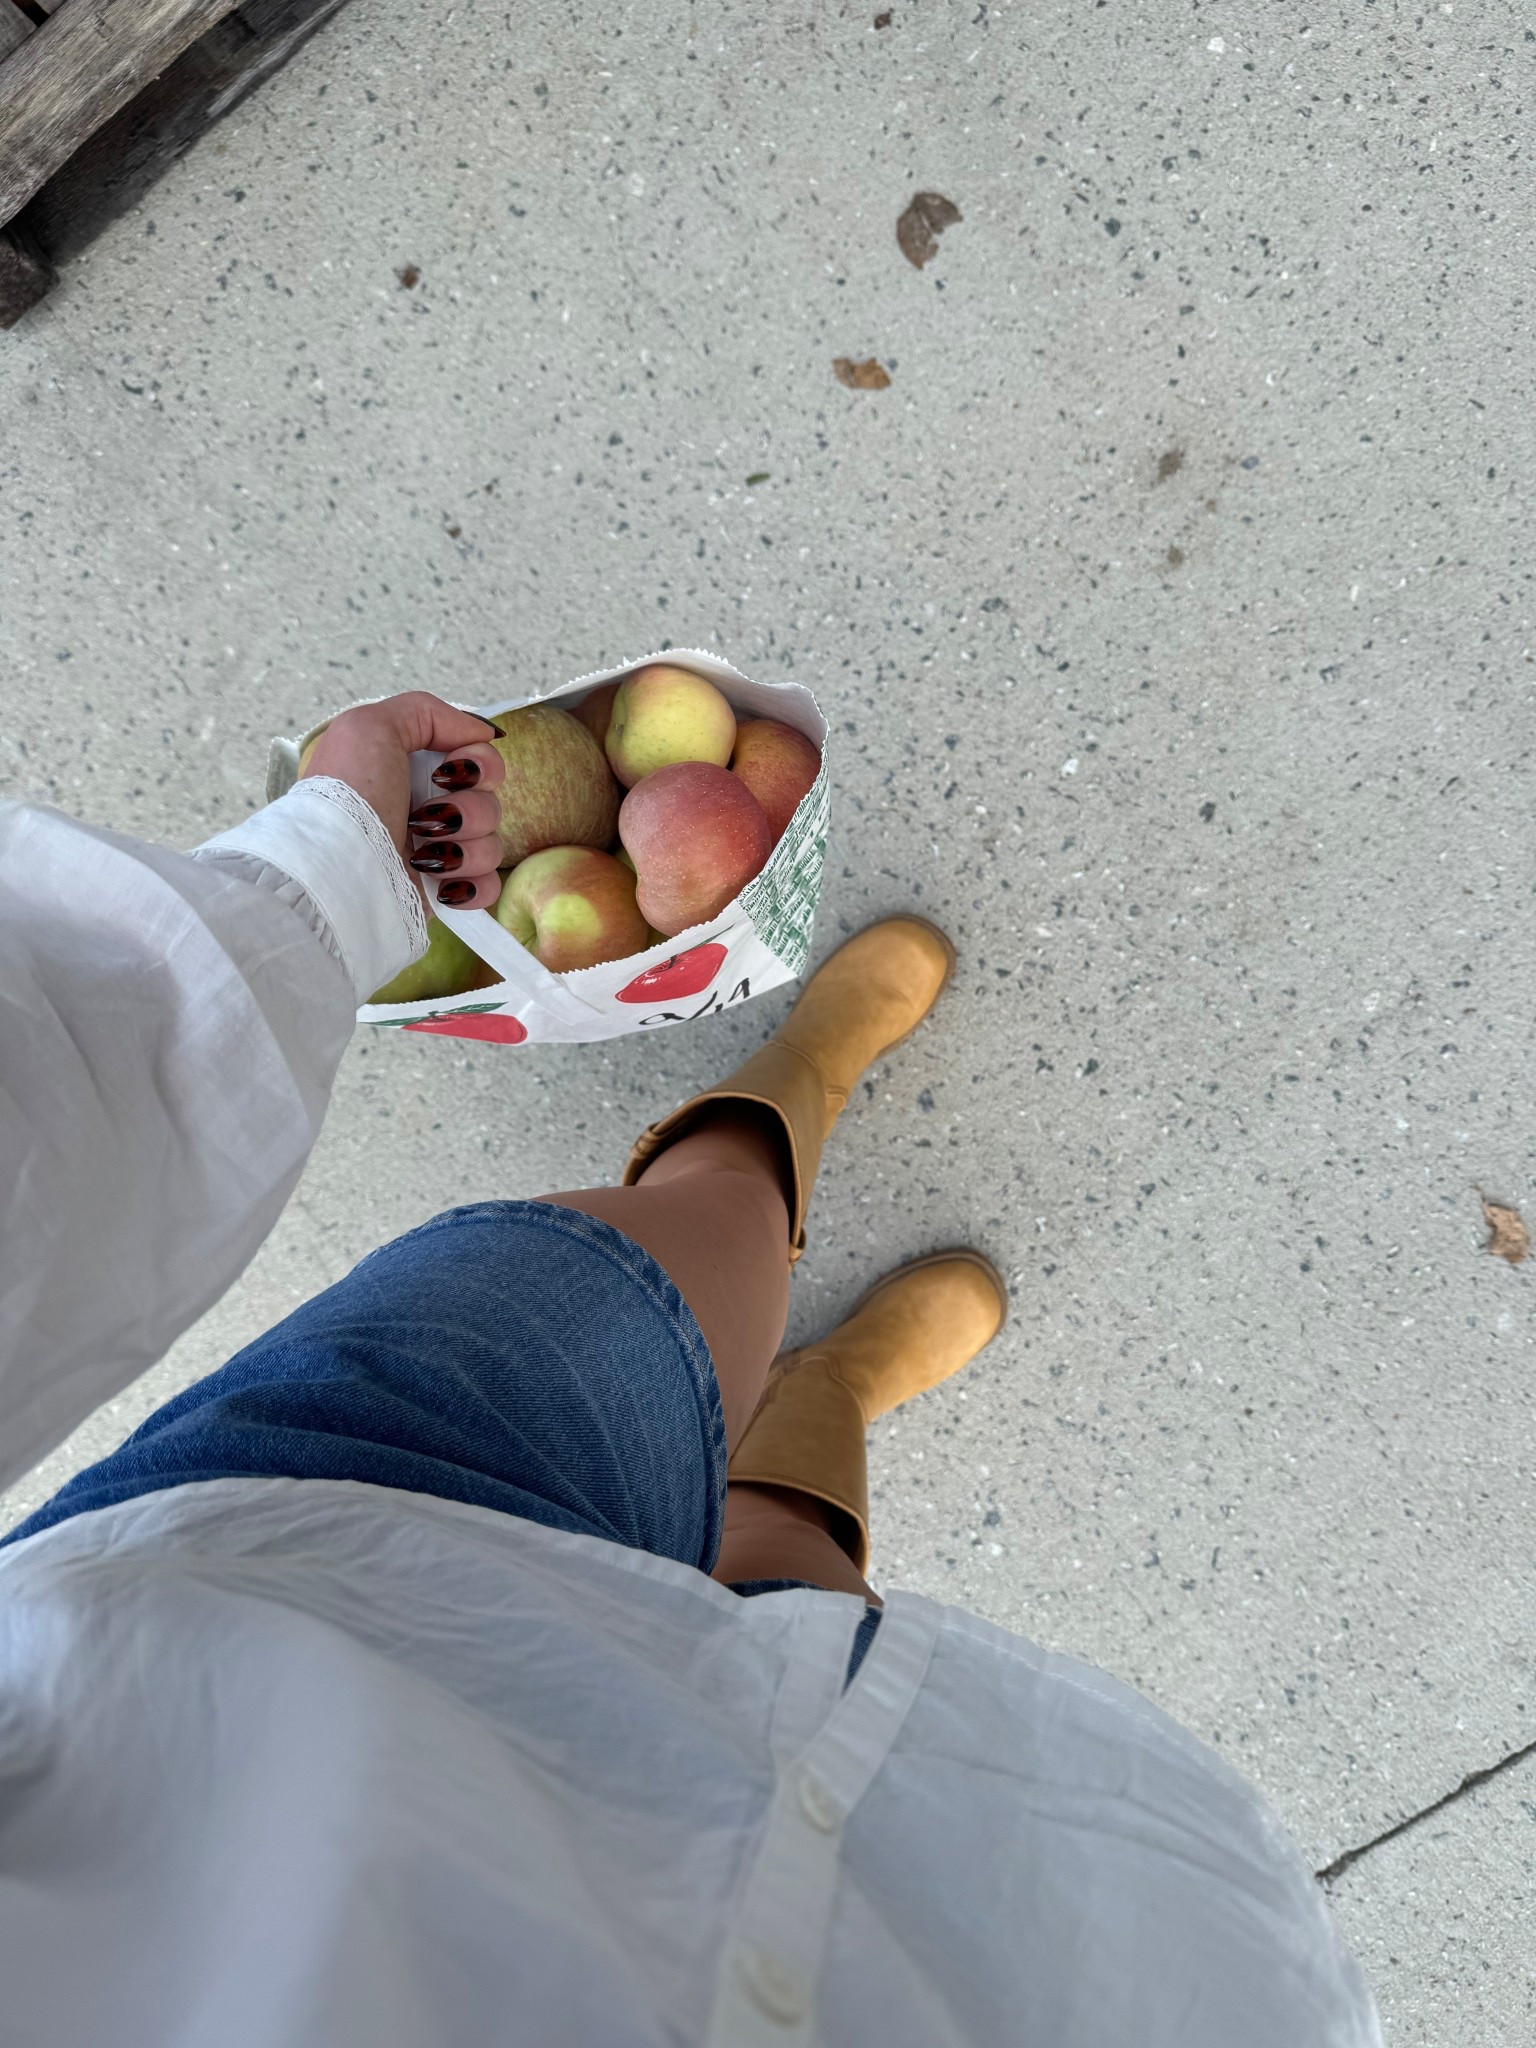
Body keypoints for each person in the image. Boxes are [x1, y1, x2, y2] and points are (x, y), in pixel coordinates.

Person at [0, 691, 1379, 2045]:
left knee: (663, 1269)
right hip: (800, 1954)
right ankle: (826, 1394)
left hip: (264, 1586)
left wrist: (325, 872)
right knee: (797, 1624)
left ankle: (801, 1078)